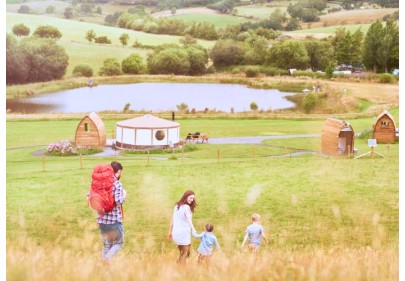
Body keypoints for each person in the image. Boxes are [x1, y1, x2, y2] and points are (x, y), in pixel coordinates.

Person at [96, 161, 127, 261]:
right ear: (117, 172)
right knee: (119, 243)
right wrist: (124, 196)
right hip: (114, 221)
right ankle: (106, 261)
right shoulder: (117, 184)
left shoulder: (100, 183)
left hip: (101, 221)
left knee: (107, 245)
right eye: (120, 172)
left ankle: (102, 266)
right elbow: (118, 201)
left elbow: (89, 196)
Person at [168, 190, 197, 263]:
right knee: (185, 253)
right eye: (190, 198)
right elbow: (189, 219)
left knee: (183, 252)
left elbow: (172, 220)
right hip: (183, 234)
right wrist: (193, 229)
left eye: (193, 198)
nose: (192, 200)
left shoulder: (177, 206)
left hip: (176, 233)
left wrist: (170, 232)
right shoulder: (186, 207)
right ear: (186, 197)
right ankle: (179, 268)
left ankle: (181, 267)